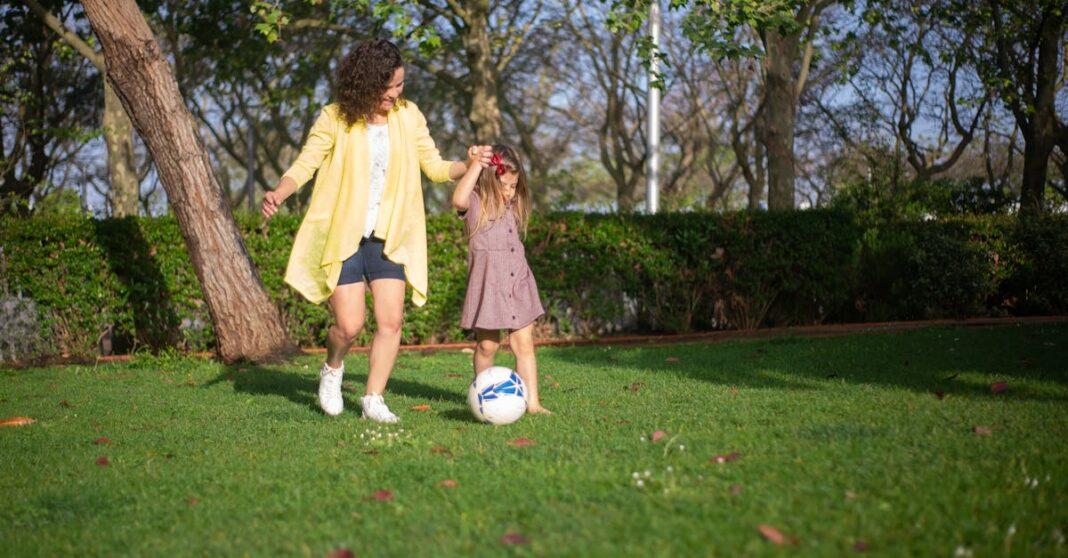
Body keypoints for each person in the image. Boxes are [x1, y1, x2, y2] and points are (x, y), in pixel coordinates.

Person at [261, 39, 489, 422]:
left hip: (390, 234)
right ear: (366, 83)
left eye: (400, 85)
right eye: (390, 87)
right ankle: (333, 368)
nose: (396, 93)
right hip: (344, 233)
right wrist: (280, 191)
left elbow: (432, 165)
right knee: (349, 326)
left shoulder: (408, 115)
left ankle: (372, 399)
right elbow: (307, 162)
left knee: (391, 322)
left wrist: (466, 166)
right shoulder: (335, 118)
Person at [451, 144, 551, 414]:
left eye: (514, 185)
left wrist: (512, 188)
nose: (510, 192)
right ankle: (485, 399)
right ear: (489, 180)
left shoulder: (513, 205)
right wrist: (476, 165)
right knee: (486, 346)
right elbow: (458, 199)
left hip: (518, 280)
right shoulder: (475, 204)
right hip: (489, 286)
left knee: (524, 344)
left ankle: (533, 403)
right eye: (505, 185)